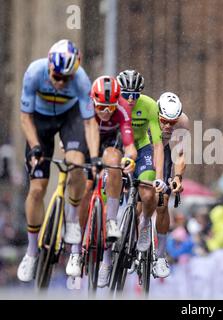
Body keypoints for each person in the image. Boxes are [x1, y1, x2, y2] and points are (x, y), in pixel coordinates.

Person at [17, 40, 100, 282]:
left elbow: (89, 123)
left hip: (69, 118)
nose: (61, 82)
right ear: (49, 65)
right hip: (40, 122)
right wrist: (34, 147)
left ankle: (72, 223)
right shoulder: (34, 73)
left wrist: (94, 157)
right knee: (37, 188)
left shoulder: (81, 80)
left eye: (66, 78)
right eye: (57, 76)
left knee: (76, 165)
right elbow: (25, 118)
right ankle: (32, 252)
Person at [97, 70, 167, 286]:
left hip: (142, 148)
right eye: (126, 94)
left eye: (135, 95)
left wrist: (161, 178)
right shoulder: (113, 104)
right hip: (117, 147)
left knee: (148, 194)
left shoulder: (149, 105)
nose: (130, 99)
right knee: (108, 202)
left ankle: (145, 224)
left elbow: (157, 144)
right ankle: (106, 261)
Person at [69, 76, 137, 278]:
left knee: (115, 160)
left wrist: (130, 159)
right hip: (86, 141)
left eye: (111, 108)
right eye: (101, 107)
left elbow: (129, 144)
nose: (106, 112)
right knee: (86, 186)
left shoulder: (123, 108)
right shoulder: (84, 105)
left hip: (109, 144)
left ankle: (111, 221)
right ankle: (75, 252)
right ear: (93, 101)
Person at [150, 92, 190, 278]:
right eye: (164, 121)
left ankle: (160, 255)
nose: (167, 126)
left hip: (164, 151)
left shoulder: (183, 122)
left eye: (171, 123)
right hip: (146, 148)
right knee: (142, 198)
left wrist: (178, 177)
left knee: (162, 202)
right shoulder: (149, 112)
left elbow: (180, 154)